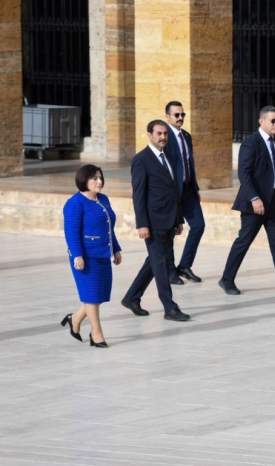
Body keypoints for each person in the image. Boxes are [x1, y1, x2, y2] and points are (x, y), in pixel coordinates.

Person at [218, 106, 275, 298]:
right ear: (261, 121)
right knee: (243, 242)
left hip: (274, 202)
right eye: (273, 121)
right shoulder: (250, 143)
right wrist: (254, 198)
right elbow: (244, 174)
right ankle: (227, 279)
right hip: (254, 204)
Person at [121, 120, 190, 322]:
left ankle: (132, 297)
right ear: (149, 135)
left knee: (155, 260)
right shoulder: (141, 160)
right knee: (161, 262)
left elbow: (174, 189)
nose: (163, 137)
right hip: (153, 221)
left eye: (165, 134)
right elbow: (138, 194)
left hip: (170, 219)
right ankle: (170, 307)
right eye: (159, 133)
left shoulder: (168, 155)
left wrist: (179, 219)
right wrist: (142, 223)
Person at [61, 165, 122, 348]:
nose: (99, 181)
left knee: (98, 295)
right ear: (83, 180)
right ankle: (96, 334)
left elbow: (109, 228)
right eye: (94, 178)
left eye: (100, 177)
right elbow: (71, 233)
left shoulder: (103, 199)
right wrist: (77, 256)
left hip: (103, 253)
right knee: (91, 297)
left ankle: (74, 318)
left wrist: (116, 249)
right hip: (86, 257)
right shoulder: (74, 203)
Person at [164, 101, 205, 286]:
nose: (180, 118)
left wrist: (195, 188)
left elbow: (190, 163)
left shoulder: (186, 136)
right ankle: (170, 271)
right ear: (168, 117)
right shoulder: (164, 137)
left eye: (182, 115)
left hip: (188, 188)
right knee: (171, 232)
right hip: (173, 191)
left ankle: (185, 265)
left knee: (198, 225)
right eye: (176, 115)